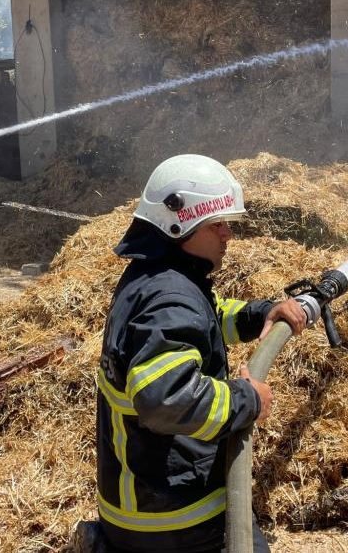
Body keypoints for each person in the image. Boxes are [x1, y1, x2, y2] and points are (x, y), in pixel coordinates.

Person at [93, 154, 307, 552]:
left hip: (137, 508)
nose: (228, 235)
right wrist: (247, 398)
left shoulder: (154, 277)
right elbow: (166, 400)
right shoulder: (171, 298)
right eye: (218, 224)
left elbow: (204, 320)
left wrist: (260, 313)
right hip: (173, 521)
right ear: (181, 224)